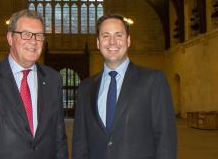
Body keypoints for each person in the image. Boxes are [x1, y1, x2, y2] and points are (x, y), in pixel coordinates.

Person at [0, 9, 68, 159]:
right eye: (25, 34)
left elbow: (59, 137)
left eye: (39, 36)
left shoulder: (53, 79)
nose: (33, 41)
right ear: (10, 38)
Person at [72, 14, 177, 159]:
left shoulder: (153, 81)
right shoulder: (86, 88)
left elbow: (166, 139)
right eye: (105, 36)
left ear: (128, 40)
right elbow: (80, 143)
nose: (112, 42)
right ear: (98, 42)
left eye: (118, 35)